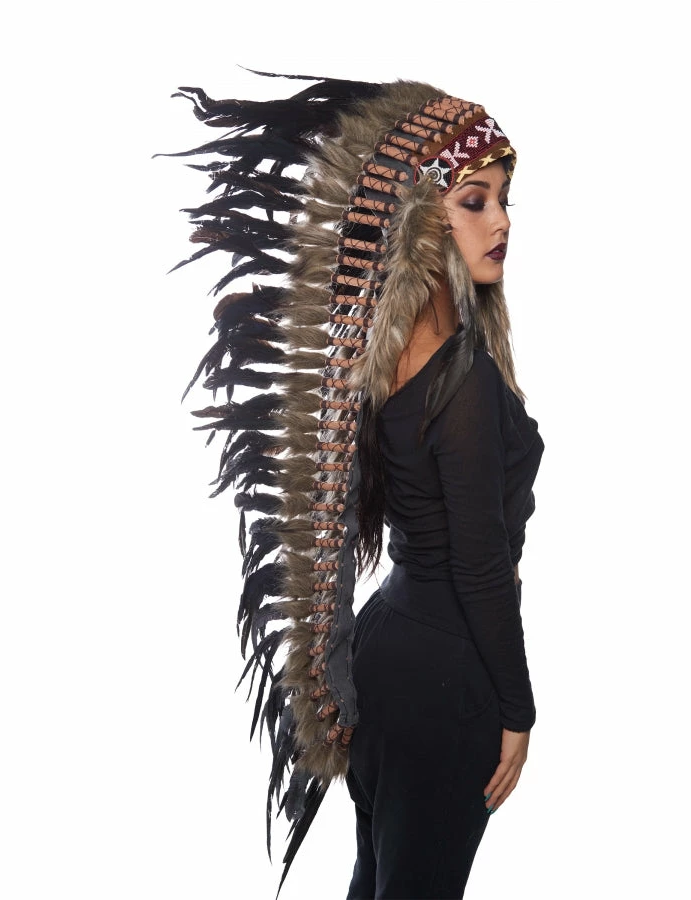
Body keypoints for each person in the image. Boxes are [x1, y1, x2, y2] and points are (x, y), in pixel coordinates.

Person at [161, 72, 544, 898]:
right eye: (474, 200)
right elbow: (480, 566)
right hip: (448, 678)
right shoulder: (463, 383)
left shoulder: (384, 357)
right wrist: (519, 710)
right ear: (418, 219)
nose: (502, 221)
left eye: (505, 199)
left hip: (387, 652)